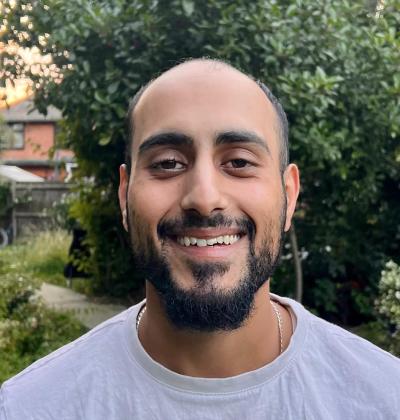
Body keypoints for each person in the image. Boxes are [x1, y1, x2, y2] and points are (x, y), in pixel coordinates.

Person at [1, 58, 399, 420]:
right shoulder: (27, 407)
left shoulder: (384, 399)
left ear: (289, 195)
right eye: (168, 163)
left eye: (239, 162)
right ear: (124, 196)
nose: (205, 199)